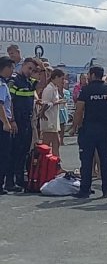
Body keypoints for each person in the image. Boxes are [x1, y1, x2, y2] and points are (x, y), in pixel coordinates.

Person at [73, 66, 107, 199]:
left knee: (86, 161)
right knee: (105, 160)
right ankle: (106, 190)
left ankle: (85, 190)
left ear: (92, 75)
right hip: (106, 129)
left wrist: (76, 126)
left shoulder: (86, 90)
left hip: (89, 129)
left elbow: (79, 110)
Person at [6, 58, 42, 191]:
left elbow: (42, 83)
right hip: (17, 121)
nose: (30, 71)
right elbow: (9, 102)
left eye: (33, 70)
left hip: (27, 121)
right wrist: (12, 120)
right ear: (23, 65)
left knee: (24, 151)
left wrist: (42, 68)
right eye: (29, 68)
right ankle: (10, 182)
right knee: (14, 152)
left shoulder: (29, 81)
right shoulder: (14, 81)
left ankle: (20, 180)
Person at [38, 69, 66, 157]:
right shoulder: (49, 89)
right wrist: (56, 102)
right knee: (46, 145)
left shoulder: (55, 88)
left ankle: (57, 164)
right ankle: (43, 164)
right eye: (61, 79)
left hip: (53, 120)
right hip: (48, 120)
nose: (63, 81)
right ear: (56, 77)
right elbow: (45, 104)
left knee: (56, 143)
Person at [0, 56, 17, 195]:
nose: (12, 71)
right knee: (3, 154)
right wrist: (6, 122)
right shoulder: (1, 85)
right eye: (11, 68)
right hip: (1, 123)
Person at [58, 78, 71, 146]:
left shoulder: (66, 92)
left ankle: (61, 140)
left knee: (62, 126)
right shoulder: (54, 91)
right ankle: (57, 140)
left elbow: (65, 100)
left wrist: (61, 92)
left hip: (62, 109)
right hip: (56, 110)